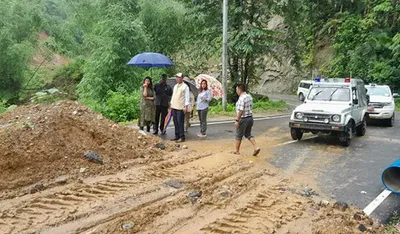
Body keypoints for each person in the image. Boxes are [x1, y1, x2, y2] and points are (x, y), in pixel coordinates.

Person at [232, 83, 260, 156]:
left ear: (239, 89)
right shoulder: (249, 96)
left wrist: (237, 120)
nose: (236, 91)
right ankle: (256, 146)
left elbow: (241, 110)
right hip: (250, 118)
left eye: (237, 90)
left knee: (238, 135)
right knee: (248, 134)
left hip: (243, 119)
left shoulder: (242, 98)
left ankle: (237, 151)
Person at [170, 73, 190, 142]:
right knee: (175, 121)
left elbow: (187, 97)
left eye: (179, 77)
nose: (177, 79)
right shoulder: (175, 86)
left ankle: (182, 136)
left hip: (181, 107)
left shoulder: (185, 87)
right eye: (177, 77)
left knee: (180, 122)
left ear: (182, 78)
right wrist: (171, 104)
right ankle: (177, 135)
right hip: (174, 106)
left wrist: (186, 106)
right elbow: (173, 96)